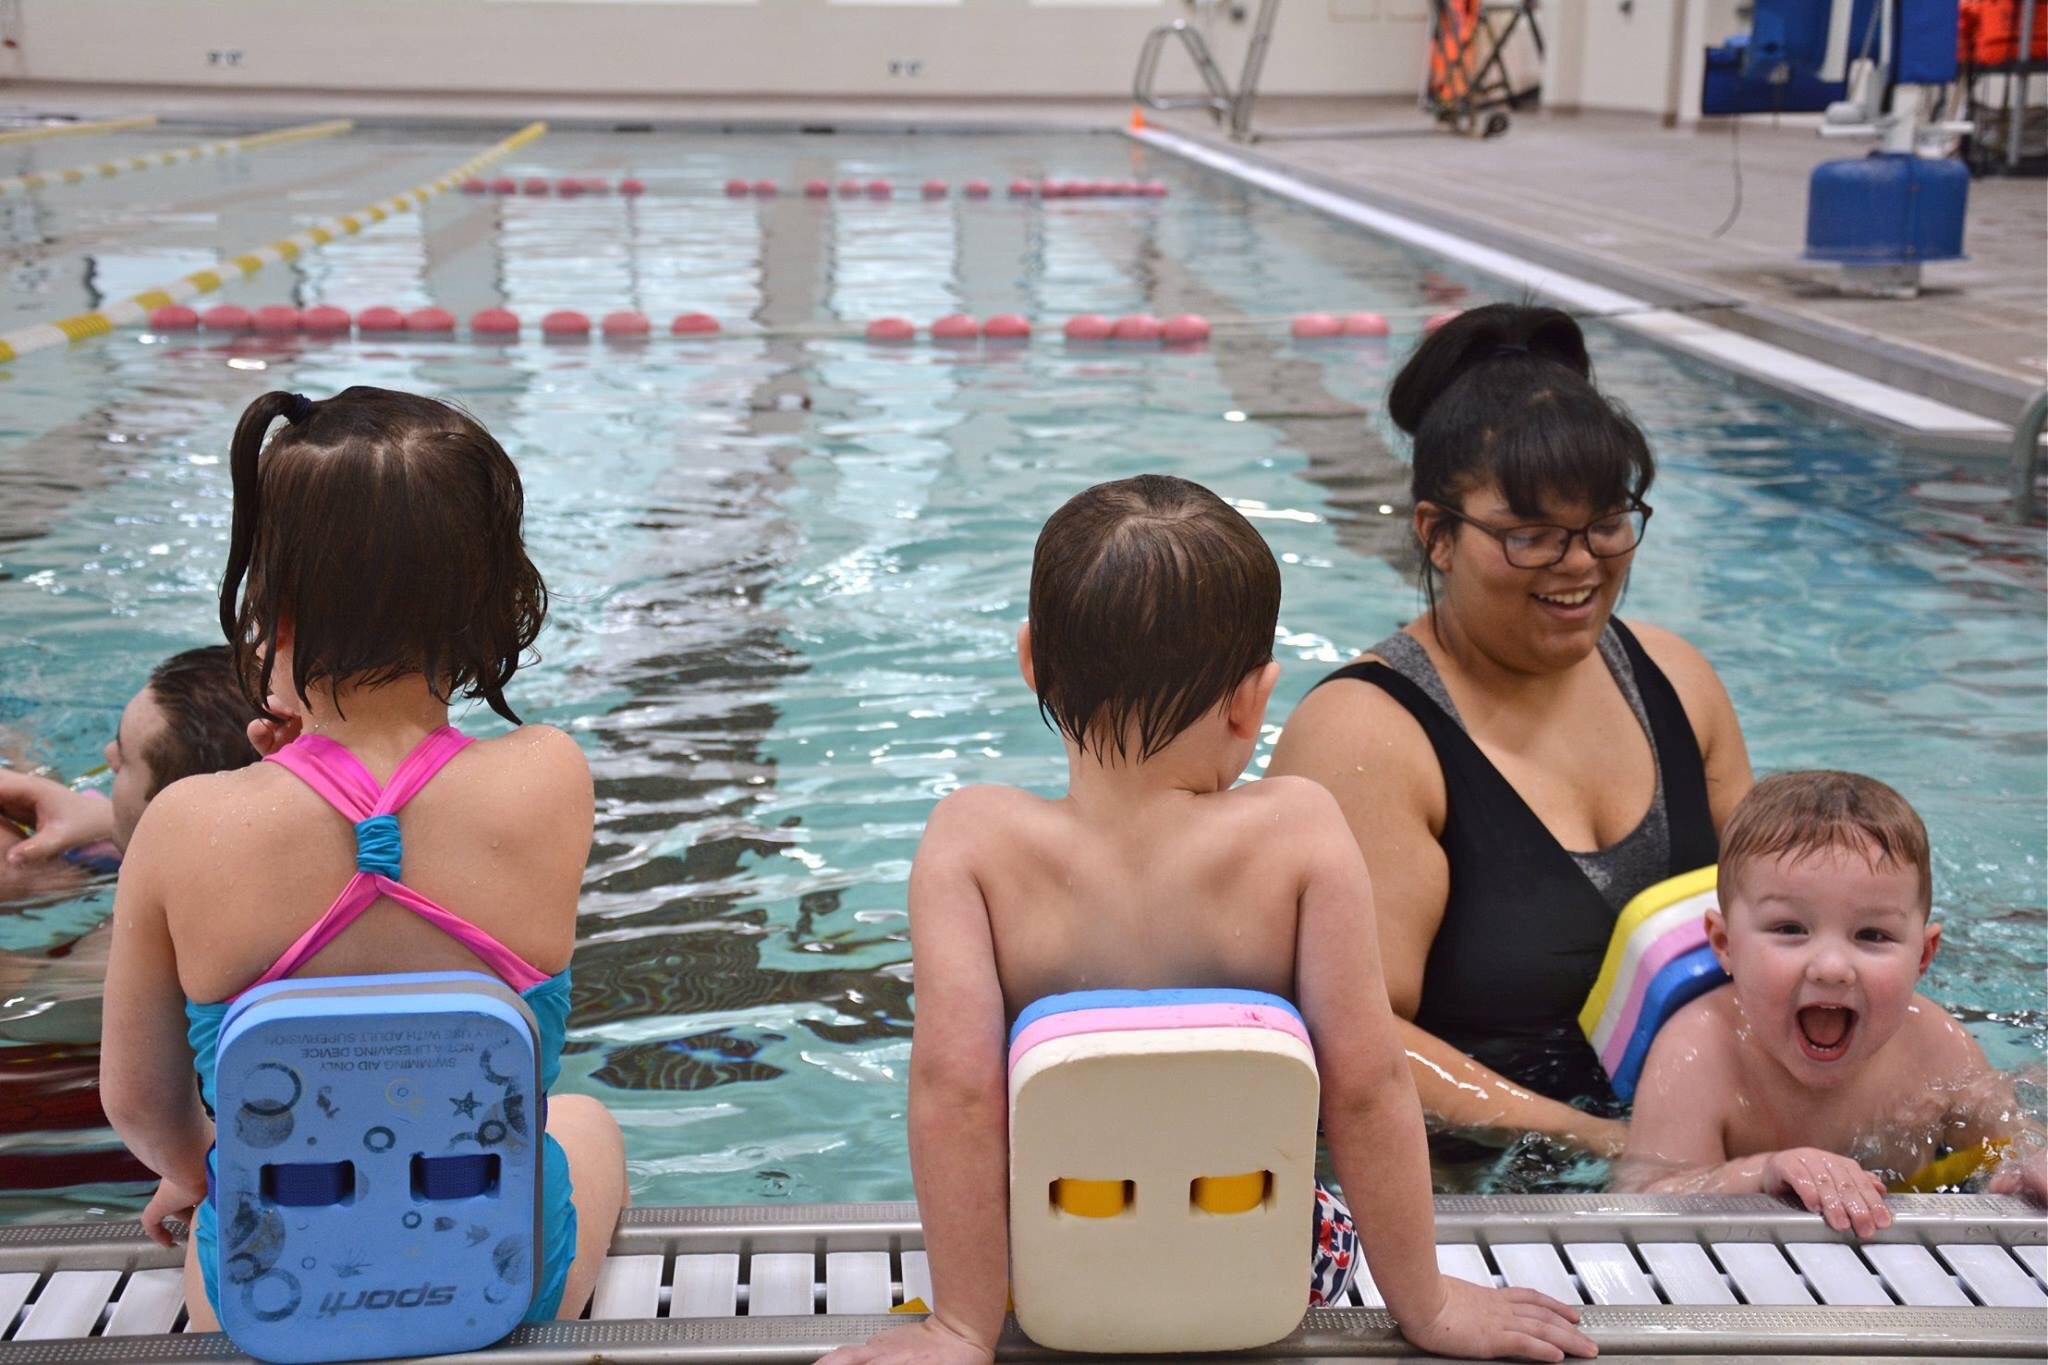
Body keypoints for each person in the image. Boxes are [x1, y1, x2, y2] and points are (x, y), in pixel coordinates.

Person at [820, 476, 1595, 1365]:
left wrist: (962, 1320)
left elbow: (955, 1092)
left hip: (1042, 1273)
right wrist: (1428, 1305)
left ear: (1031, 663)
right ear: (1251, 700)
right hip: (1268, 1268)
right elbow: (1367, 1084)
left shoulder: (973, 844)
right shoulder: (1299, 832)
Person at [98, 387, 627, 1330]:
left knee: (217, 1183)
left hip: (267, 1303)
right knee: (582, 1121)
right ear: (491, 597)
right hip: (499, 1291)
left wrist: (189, 1173)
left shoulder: (185, 824)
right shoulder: (550, 776)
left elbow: (139, 1100)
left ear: (275, 607)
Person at [1268, 304, 1753, 1159]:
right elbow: (1348, 1035)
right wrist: (1601, 1141)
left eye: (1607, 522)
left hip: (1683, 1147)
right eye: (1530, 535)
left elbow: (1781, 928)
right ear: (1437, 535)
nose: (1580, 564)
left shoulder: (1679, 681)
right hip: (1470, 1189)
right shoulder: (1367, 736)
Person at [1618, 770, 2045, 1233]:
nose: (1831, 967)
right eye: (1789, 929)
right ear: (1724, 944)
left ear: (1922, 956)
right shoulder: (1698, 1052)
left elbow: (2009, 1148)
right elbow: (1643, 1197)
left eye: (1872, 935)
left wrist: (2025, 1171)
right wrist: (1762, 1172)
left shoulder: (1937, 1046)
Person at [1, 646, 262, 883]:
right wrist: (106, 822)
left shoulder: (149, 932)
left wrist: (42, 886)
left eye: (125, 759)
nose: (109, 755)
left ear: (171, 805)